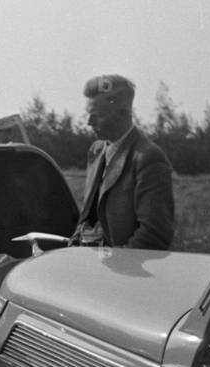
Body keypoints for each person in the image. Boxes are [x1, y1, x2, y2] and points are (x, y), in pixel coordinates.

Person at [74, 74, 175, 250]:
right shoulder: (96, 151)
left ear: (123, 113)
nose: (89, 122)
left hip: (123, 272)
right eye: (89, 115)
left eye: (97, 116)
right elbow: (86, 219)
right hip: (90, 265)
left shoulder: (148, 158)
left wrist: (114, 269)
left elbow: (155, 235)